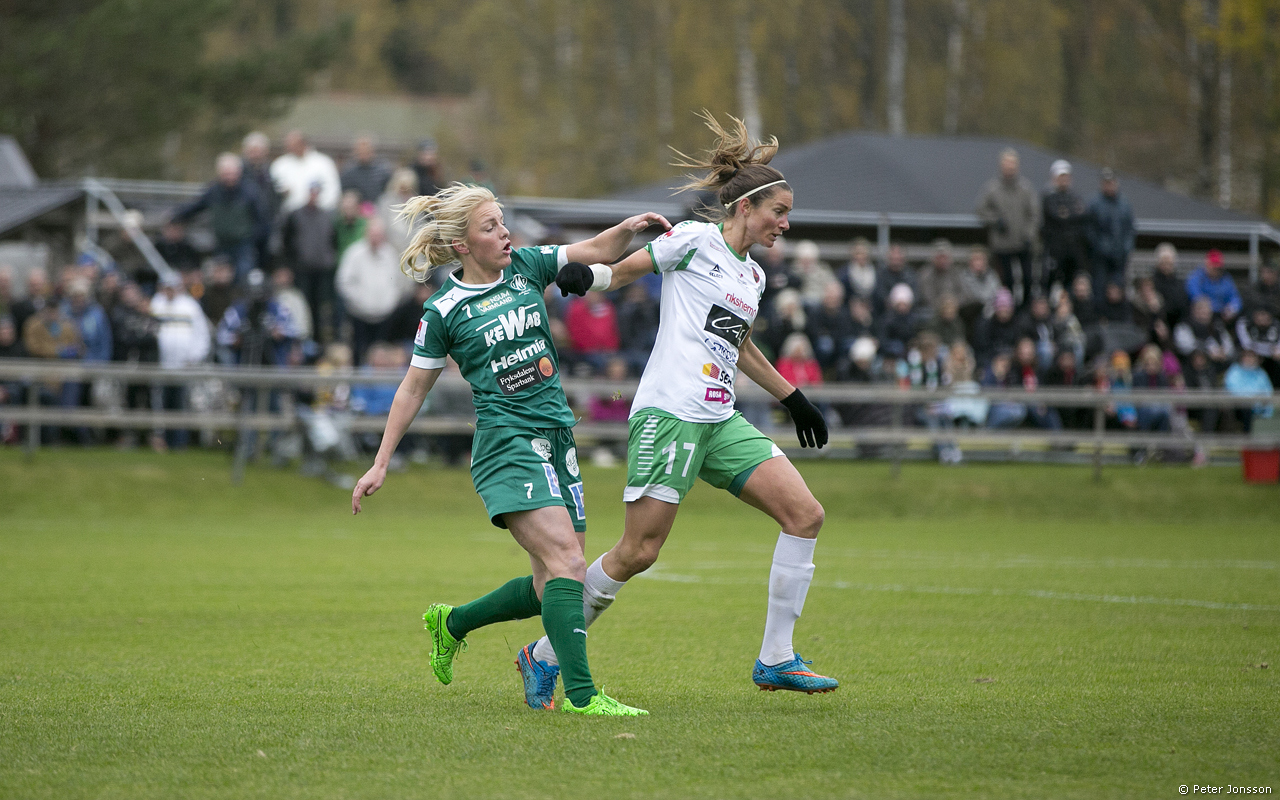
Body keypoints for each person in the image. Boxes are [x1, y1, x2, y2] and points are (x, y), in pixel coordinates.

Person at [523, 112, 837, 704]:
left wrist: (793, 398)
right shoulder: (694, 241)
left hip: (719, 419)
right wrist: (585, 276)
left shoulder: (752, 276)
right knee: (638, 552)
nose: (785, 223)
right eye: (779, 211)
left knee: (805, 515)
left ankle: (776, 657)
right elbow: (623, 271)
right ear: (746, 206)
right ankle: (543, 654)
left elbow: (739, 345)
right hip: (670, 413)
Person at [350, 182, 668, 717]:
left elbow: (595, 250)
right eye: (490, 226)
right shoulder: (444, 310)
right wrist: (381, 461)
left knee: (552, 585)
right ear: (462, 245)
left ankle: (453, 623)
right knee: (568, 563)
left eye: (501, 222)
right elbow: (412, 388)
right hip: (507, 446)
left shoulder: (526, 266)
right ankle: (584, 697)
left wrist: (629, 228)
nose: (504, 233)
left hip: (558, 436)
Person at [171, 153, 268, 284]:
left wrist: (253, 239)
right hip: (221, 244)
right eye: (226, 173)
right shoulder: (213, 191)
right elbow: (196, 206)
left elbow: (262, 219)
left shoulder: (250, 191)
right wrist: (175, 216)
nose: (229, 177)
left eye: (232, 173)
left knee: (243, 277)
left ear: (239, 172)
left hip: (243, 245)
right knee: (219, 280)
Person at [336, 218, 413, 366]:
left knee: (382, 354)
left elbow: (399, 281)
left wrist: (390, 302)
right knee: (359, 352)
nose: (376, 238)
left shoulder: (390, 254)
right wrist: (359, 301)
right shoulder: (354, 253)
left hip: (385, 316)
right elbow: (344, 282)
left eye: (379, 235)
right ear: (366, 233)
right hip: (359, 315)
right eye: (373, 234)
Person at [976, 148, 1040, 302]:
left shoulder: (1026, 188)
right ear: (1001, 166)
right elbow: (980, 210)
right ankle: (1008, 308)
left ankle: (1025, 307)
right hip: (1002, 244)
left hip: (1023, 242)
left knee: (1028, 278)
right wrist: (996, 220)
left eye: (1012, 165)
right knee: (1007, 281)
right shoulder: (992, 188)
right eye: (1006, 165)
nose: (1009, 168)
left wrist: (1029, 234)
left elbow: (1034, 214)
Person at [282, 182, 337, 342]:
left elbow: (333, 241)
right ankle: (304, 338)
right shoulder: (295, 215)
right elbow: (287, 241)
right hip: (302, 268)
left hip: (322, 269)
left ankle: (318, 339)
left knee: (320, 306)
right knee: (303, 304)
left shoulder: (327, 216)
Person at [1040, 160, 1090, 297]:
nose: (1064, 181)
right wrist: (1071, 214)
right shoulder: (1048, 197)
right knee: (1049, 283)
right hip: (1055, 251)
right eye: (1061, 177)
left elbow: (1082, 214)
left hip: (1072, 251)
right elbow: (1057, 215)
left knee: (1071, 284)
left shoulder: (1075, 196)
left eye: (1066, 177)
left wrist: (1068, 214)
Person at [1086, 168, 1134, 294]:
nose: (1109, 186)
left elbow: (1130, 229)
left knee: (1119, 289)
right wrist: (1100, 247)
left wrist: (1126, 248)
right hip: (1100, 257)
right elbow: (1090, 231)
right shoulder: (1094, 204)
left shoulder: (1124, 204)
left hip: (1120, 256)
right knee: (1100, 288)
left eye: (1112, 182)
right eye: (1106, 183)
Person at [271, 130, 341, 214]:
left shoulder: (323, 163)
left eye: (294, 145)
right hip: (290, 216)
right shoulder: (280, 165)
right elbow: (274, 192)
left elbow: (332, 191)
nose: (290, 148)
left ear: (303, 143)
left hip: (319, 214)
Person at [1185, 249, 1242, 322]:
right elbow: (1195, 295)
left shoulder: (1226, 279)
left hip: (1222, 316)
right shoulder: (1197, 277)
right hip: (1203, 316)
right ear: (1207, 264)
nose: (1216, 269)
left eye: (1218, 267)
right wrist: (1207, 306)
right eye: (1213, 266)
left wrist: (1232, 308)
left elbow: (1235, 297)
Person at [340, 135, 393, 203]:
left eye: (366, 150)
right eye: (360, 150)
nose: (363, 153)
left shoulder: (383, 171)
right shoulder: (348, 172)